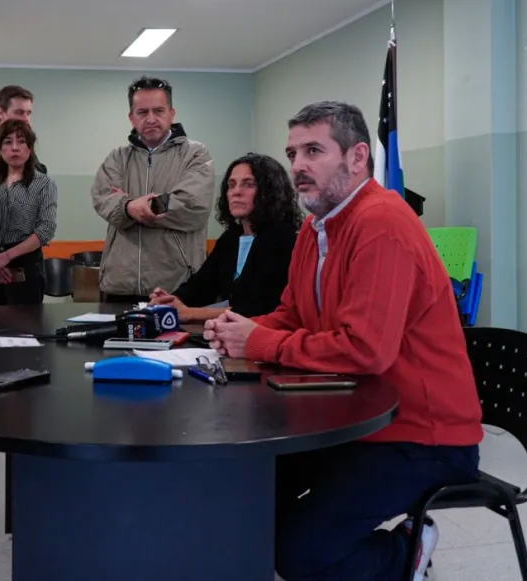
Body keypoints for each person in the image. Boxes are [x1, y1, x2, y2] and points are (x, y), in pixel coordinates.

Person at [203, 101, 483, 581]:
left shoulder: (381, 224)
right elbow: (292, 313)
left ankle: (405, 554)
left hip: (421, 438)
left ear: (357, 158)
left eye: (314, 150)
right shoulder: (316, 225)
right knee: (245, 491)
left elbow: (364, 350)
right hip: (355, 418)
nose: (298, 166)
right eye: (292, 153)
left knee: (299, 554)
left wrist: (260, 344)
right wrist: (239, 332)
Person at [91, 76, 215, 302]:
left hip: (176, 288)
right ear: (131, 117)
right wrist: (129, 207)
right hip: (119, 287)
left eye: (158, 111)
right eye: (142, 112)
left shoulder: (195, 154)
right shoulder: (117, 158)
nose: (151, 119)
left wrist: (141, 207)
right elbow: (103, 198)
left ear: (171, 113)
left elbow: (192, 203)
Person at [148, 154, 300, 322]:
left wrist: (189, 313)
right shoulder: (231, 237)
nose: (236, 192)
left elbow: (261, 308)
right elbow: (201, 286)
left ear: (270, 191)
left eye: (248, 184)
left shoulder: (282, 238)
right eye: (231, 185)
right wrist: (171, 301)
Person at [0, 119, 57, 305]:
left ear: (30, 148)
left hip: (25, 269)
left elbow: (46, 229)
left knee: (24, 330)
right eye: (7, 142)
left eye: (21, 141)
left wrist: (7, 256)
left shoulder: (43, 184)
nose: (14, 148)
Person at [0, 85, 48, 176]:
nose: (26, 119)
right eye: (19, 113)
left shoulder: (25, 142)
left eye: (28, 113)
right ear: (0, 113)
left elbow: (41, 179)